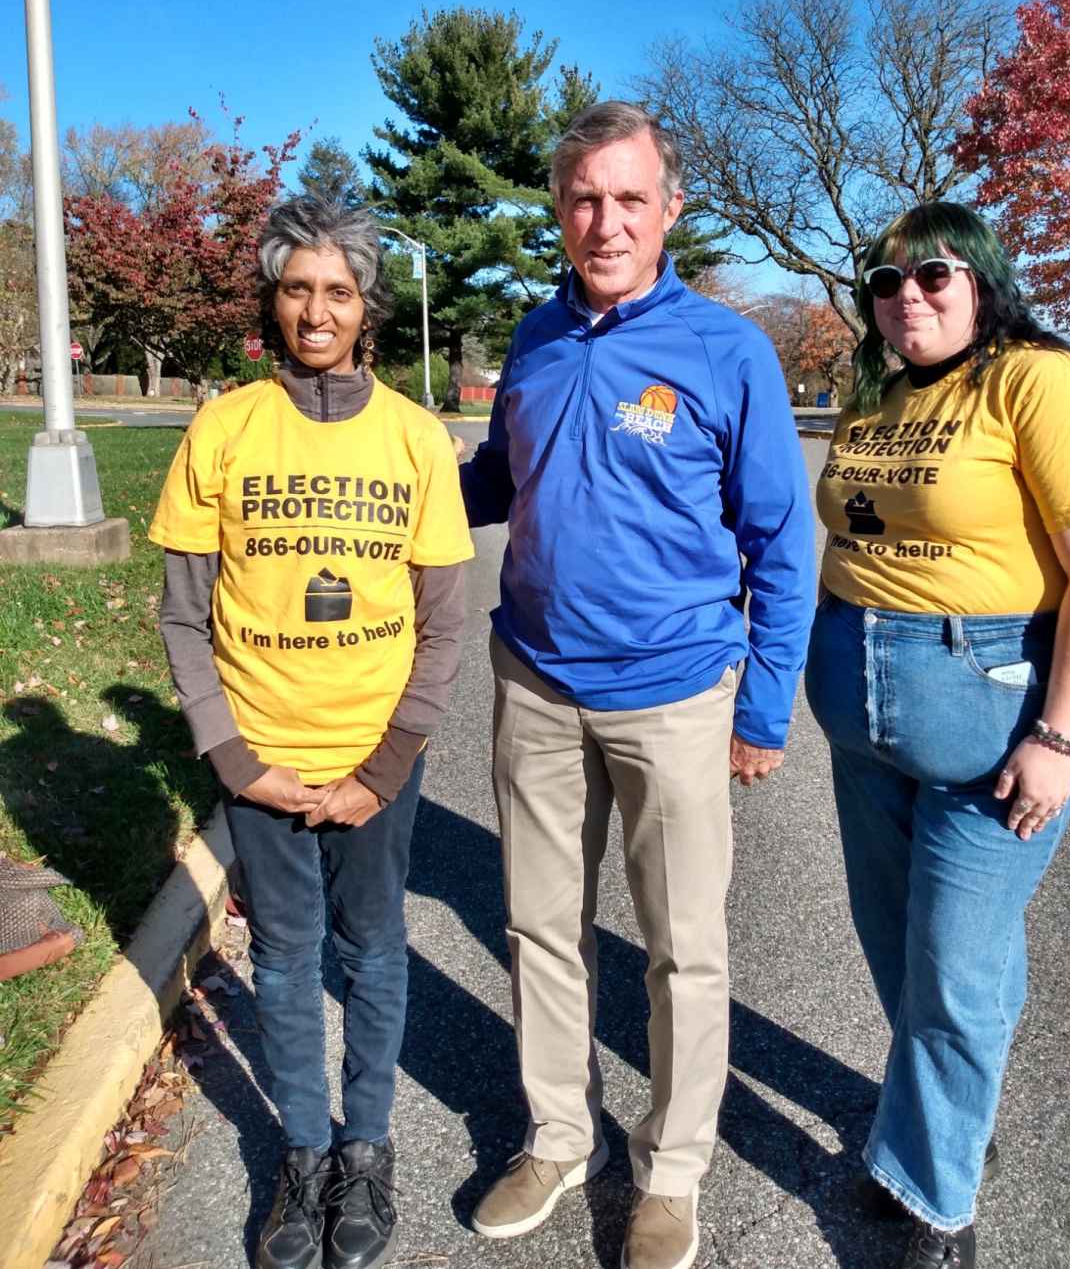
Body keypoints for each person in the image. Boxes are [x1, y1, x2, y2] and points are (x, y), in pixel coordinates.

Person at [460, 101, 814, 1269]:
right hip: (536, 679)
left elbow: (779, 541)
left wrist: (761, 707)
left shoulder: (727, 349)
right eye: (581, 199)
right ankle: (562, 1132)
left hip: (672, 693)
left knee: (682, 943)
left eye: (627, 198)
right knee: (539, 924)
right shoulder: (534, 334)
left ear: (667, 209)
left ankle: (671, 1166)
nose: (604, 221)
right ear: (558, 211)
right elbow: (491, 479)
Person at [805, 202, 1070, 1269]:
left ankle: (935, 1201)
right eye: (885, 281)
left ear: (983, 280)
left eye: (934, 276)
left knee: (953, 964)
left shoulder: (1041, 383)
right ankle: (941, 1117)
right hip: (860, 723)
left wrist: (1057, 735)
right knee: (899, 946)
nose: (907, 297)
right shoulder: (876, 398)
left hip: (992, 722)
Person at [149, 198, 473, 1269]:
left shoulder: (415, 436)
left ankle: (367, 1149)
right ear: (272, 302)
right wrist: (235, 758)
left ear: (366, 305)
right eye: (297, 288)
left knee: (373, 951)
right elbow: (184, 615)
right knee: (287, 961)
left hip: (376, 761)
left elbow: (443, 623)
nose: (317, 309)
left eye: (338, 290)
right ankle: (300, 1149)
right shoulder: (224, 426)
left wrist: (385, 768)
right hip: (262, 760)